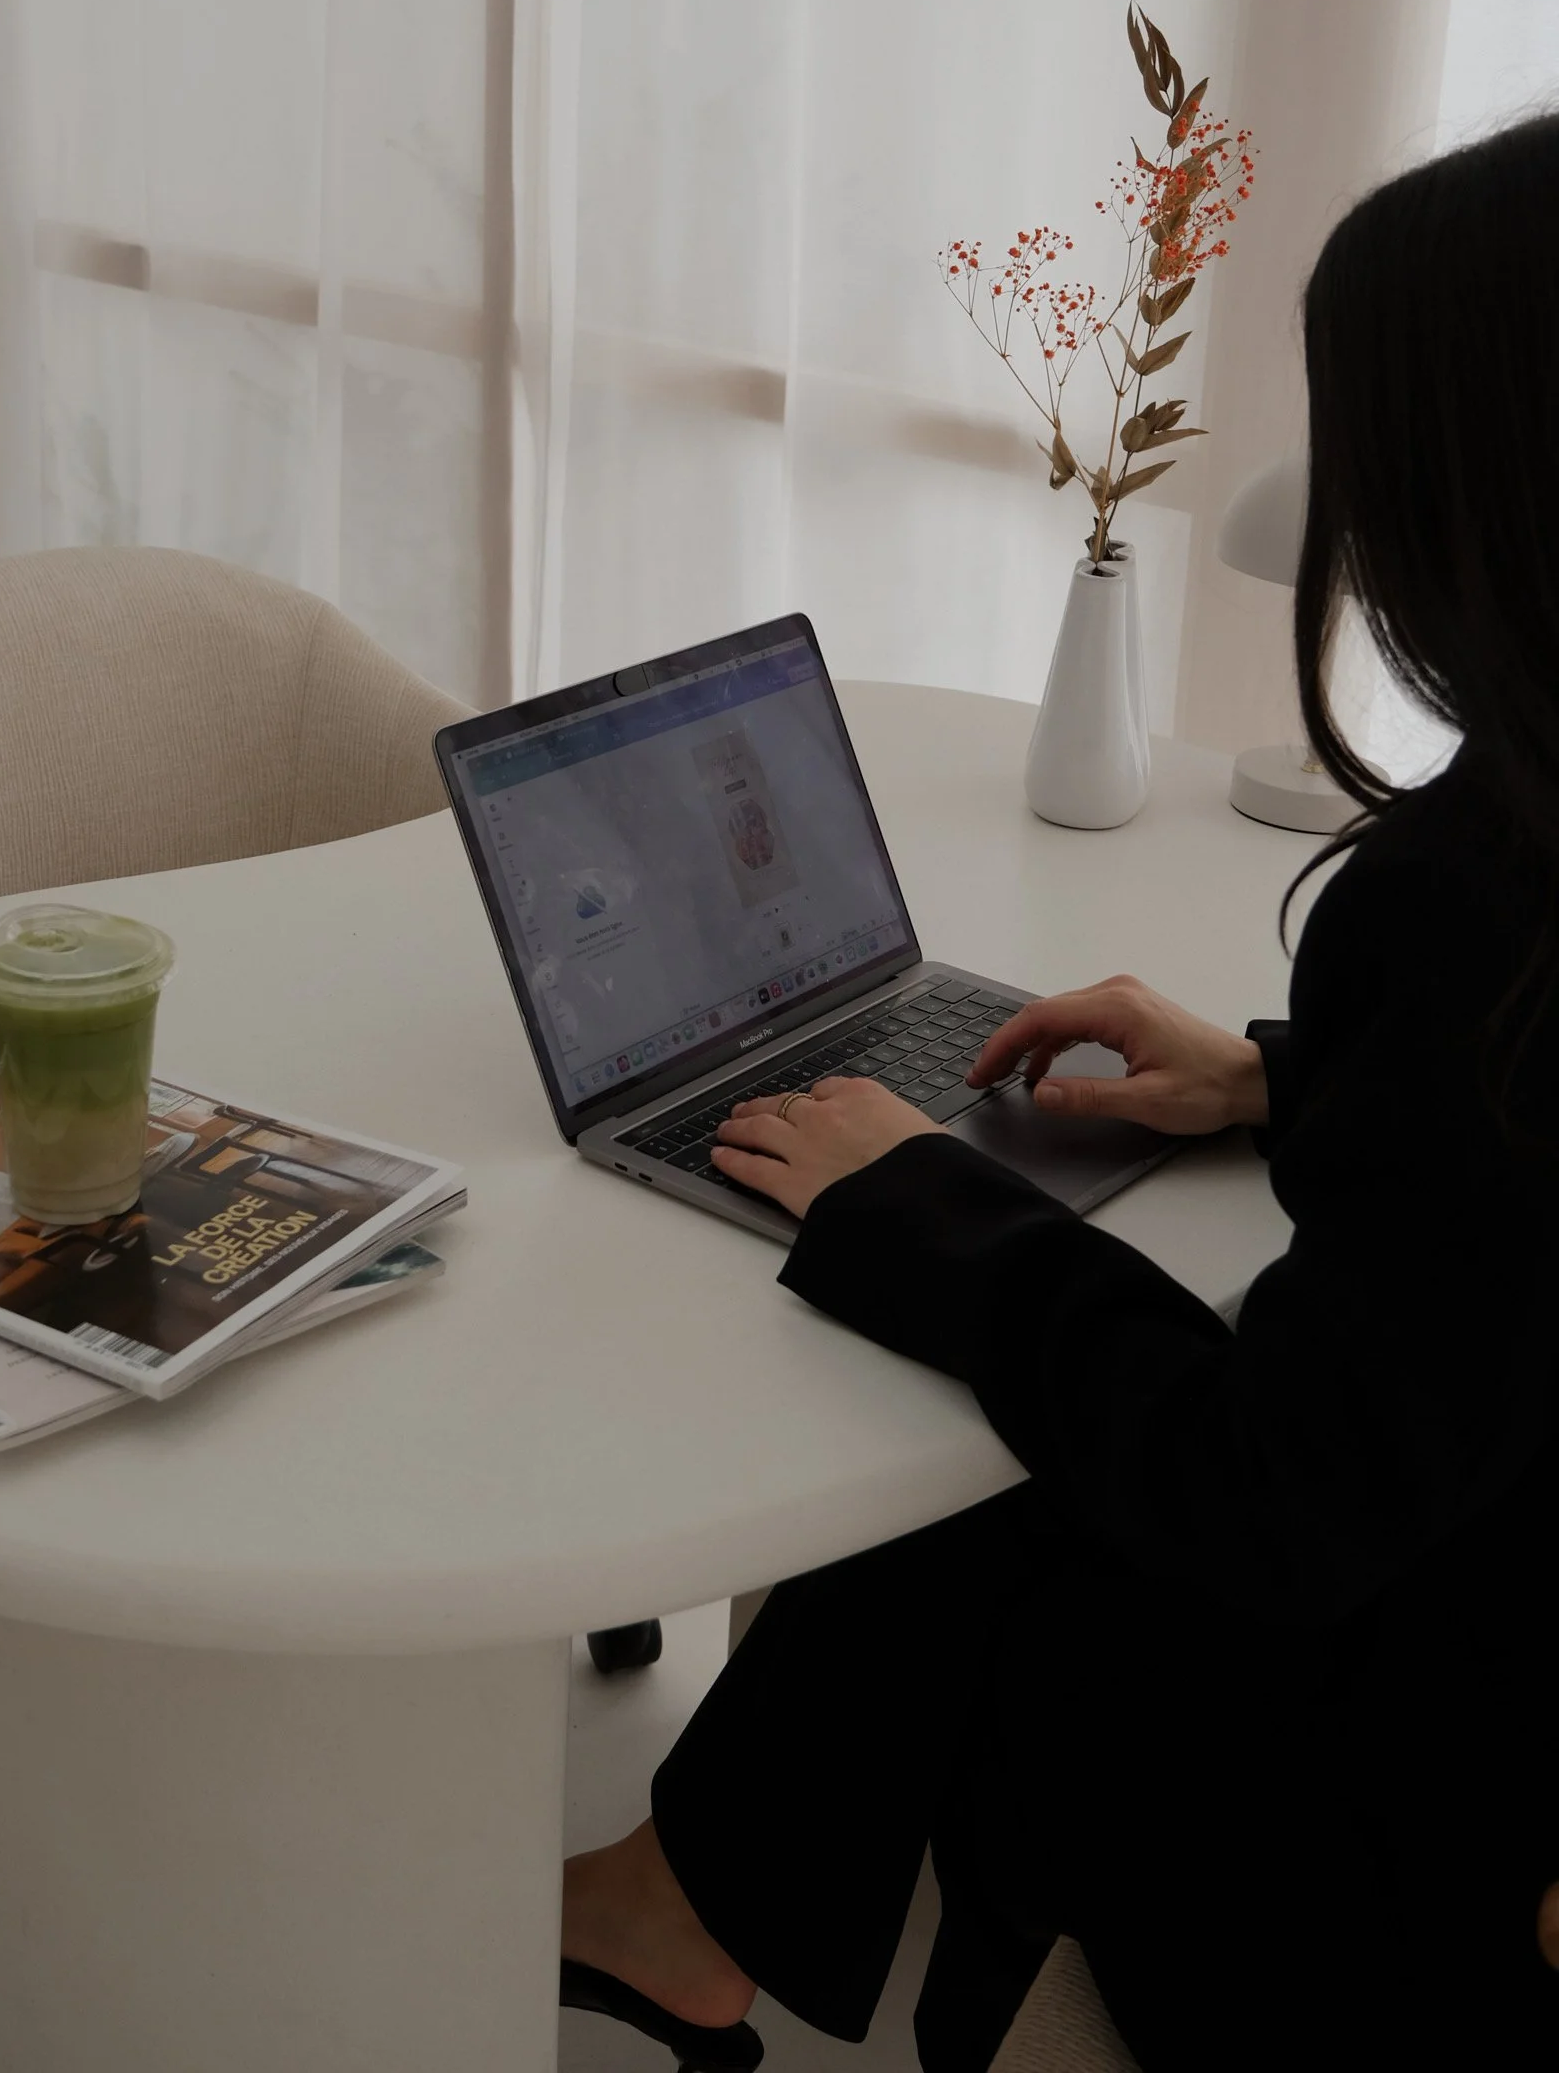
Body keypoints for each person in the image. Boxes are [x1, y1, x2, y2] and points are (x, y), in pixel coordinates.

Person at [560, 120, 1559, 2072]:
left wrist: (922, 1202)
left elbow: (1274, 1497)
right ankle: (698, 1896)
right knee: (1034, 1354)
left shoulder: (1481, 906)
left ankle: (686, 1903)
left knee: (992, 1442)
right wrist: (1280, 1081)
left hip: (1429, 1817)